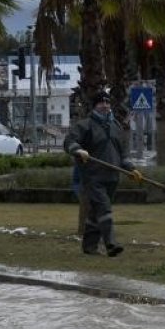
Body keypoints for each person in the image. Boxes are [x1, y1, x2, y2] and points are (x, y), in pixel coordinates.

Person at [63, 90, 143, 257]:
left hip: (113, 177)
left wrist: (131, 169)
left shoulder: (116, 127)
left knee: (95, 212)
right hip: (93, 177)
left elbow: (123, 154)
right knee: (104, 208)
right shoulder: (84, 125)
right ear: (94, 106)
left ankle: (89, 247)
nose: (105, 106)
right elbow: (69, 141)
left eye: (107, 103)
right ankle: (111, 244)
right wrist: (78, 150)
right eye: (101, 103)